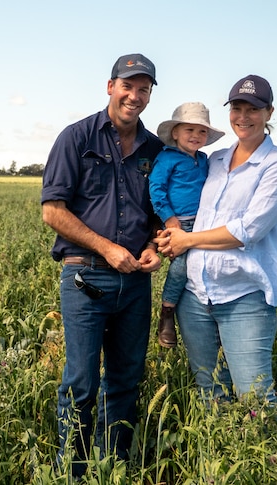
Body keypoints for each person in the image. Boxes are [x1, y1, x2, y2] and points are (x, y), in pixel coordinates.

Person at [41, 53, 164, 477]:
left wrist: (154, 245)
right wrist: (107, 248)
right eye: (127, 85)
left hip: (135, 283)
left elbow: (159, 213)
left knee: (126, 379)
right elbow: (53, 211)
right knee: (81, 382)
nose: (135, 95)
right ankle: (71, 472)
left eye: (144, 88)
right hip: (85, 276)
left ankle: (113, 467)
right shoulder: (76, 138)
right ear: (110, 86)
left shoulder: (155, 150)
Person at [155, 74, 277, 405]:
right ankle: (221, 456)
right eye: (237, 107)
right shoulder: (214, 160)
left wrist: (185, 242)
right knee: (210, 392)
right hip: (194, 296)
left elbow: (249, 230)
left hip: (244, 295)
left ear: (269, 113)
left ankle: (272, 457)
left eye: (254, 109)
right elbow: (188, 207)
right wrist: (166, 234)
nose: (243, 116)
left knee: (255, 396)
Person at [149, 102, 224, 348]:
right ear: (175, 133)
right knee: (182, 265)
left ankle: (212, 316)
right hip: (180, 223)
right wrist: (170, 219)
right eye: (189, 130)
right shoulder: (167, 158)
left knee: (208, 265)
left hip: (205, 222)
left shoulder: (204, 159)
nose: (195, 136)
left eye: (201, 131)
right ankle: (167, 312)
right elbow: (156, 190)